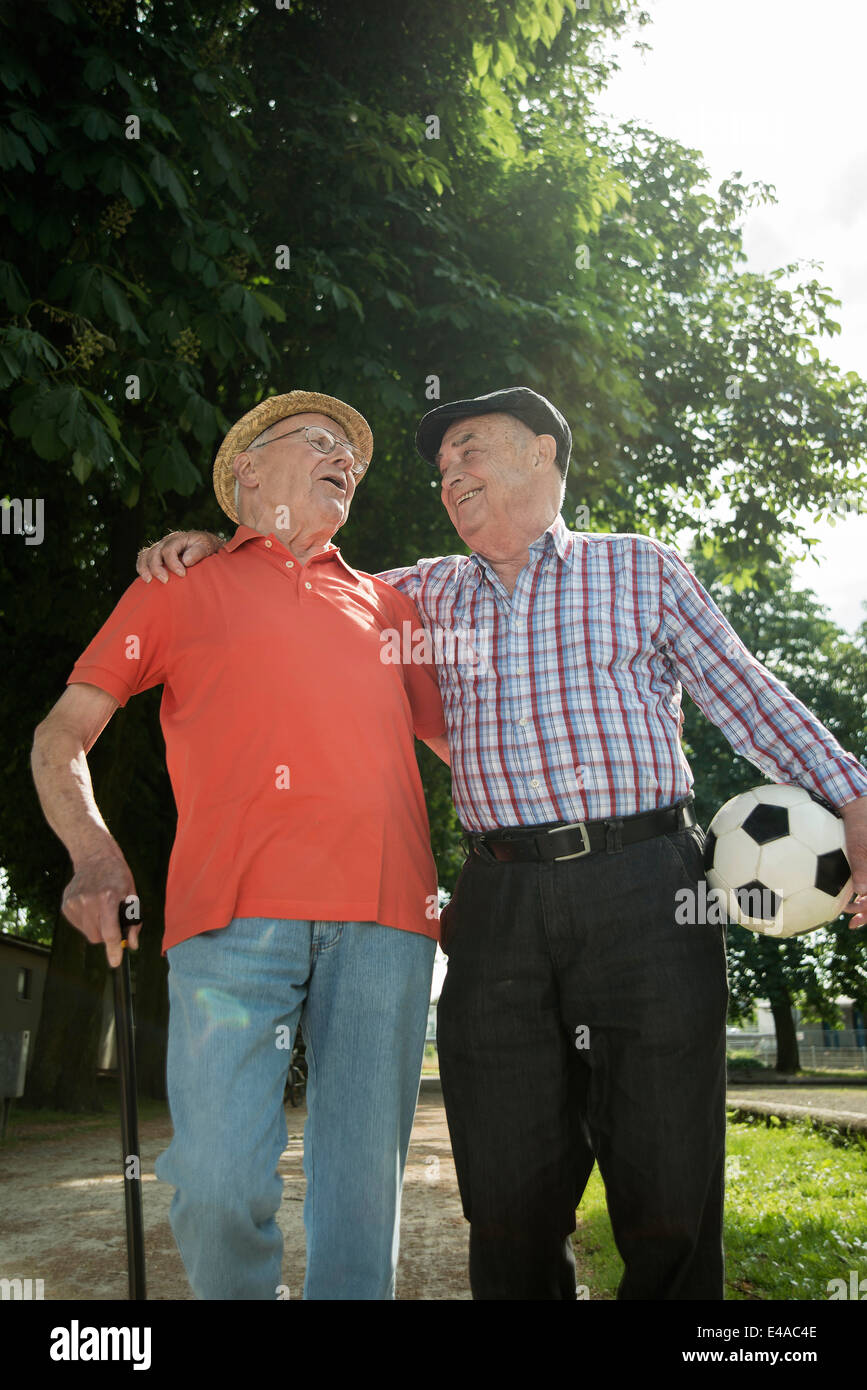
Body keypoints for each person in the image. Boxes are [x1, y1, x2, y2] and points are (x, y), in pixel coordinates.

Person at [136, 386, 867, 1301]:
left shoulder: (639, 568)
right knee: (508, 1192)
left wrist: (852, 793)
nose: (451, 479)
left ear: (541, 458)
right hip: (498, 904)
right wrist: (214, 543)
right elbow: (290, 576)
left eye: (471, 453)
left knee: (670, 1180)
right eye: (442, 471)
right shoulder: (417, 593)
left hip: (647, 887)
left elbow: (744, 694)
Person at [31, 390, 450, 1302]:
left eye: (354, 451)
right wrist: (95, 853)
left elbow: (472, 747)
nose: (345, 454)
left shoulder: (391, 605)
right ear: (247, 473)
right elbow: (61, 737)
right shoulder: (178, 584)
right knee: (217, 1184)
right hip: (228, 924)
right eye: (319, 439)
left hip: (387, 922)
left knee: (358, 1197)